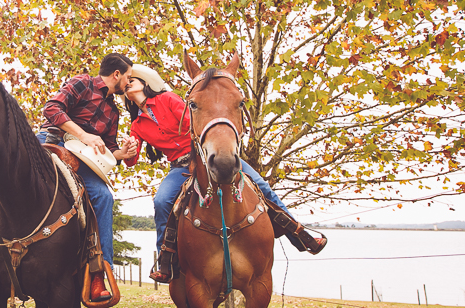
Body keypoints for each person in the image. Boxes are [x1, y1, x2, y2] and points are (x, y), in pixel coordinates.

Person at [0, 53, 134, 303]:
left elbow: (107, 148)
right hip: (49, 141)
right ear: (116, 74)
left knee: (103, 197)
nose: (129, 83)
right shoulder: (83, 83)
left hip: (84, 160)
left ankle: (99, 270)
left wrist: (122, 153)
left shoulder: (113, 112)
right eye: (128, 77)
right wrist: (82, 134)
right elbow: (52, 108)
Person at [119, 63, 326, 283]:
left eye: (134, 79)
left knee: (260, 184)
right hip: (179, 167)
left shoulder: (168, 99)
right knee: (161, 201)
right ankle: (166, 259)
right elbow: (132, 161)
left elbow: (195, 123)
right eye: (126, 83)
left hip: (207, 154)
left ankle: (299, 234)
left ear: (146, 83)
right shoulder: (137, 125)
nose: (128, 83)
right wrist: (128, 150)